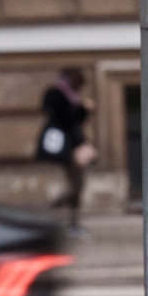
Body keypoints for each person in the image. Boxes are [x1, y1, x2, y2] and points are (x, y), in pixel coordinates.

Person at [36, 67, 94, 232]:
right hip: (65, 148)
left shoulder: (70, 96)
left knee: (77, 185)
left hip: (72, 147)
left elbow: (75, 121)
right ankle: (53, 212)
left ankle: (71, 222)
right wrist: (83, 109)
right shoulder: (57, 95)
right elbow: (67, 119)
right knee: (76, 185)